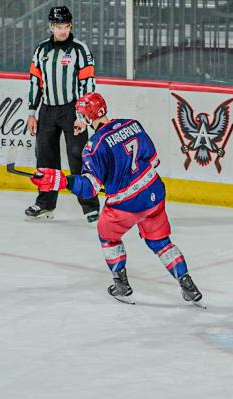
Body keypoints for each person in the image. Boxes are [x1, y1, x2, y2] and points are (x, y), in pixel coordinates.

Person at [29, 92, 203, 306]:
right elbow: (153, 161)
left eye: (81, 113)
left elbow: (90, 188)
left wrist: (62, 181)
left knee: (108, 236)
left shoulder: (93, 147)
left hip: (126, 204)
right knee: (160, 242)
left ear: (87, 116)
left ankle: (122, 285)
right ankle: (188, 285)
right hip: (154, 193)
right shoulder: (133, 125)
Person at [24, 5, 100, 224]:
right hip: (47, 110)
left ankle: (90, 207)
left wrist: (83, 116)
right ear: (51, 27)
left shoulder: (80, 50)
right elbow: (34, 83)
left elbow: (88, 85)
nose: (63, 31)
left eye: (66, 26)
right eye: (59, 26)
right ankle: (45, 204)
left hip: (72, 110)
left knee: (79, 157)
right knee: (45, 158)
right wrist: (32, 112)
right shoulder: (41, 50)